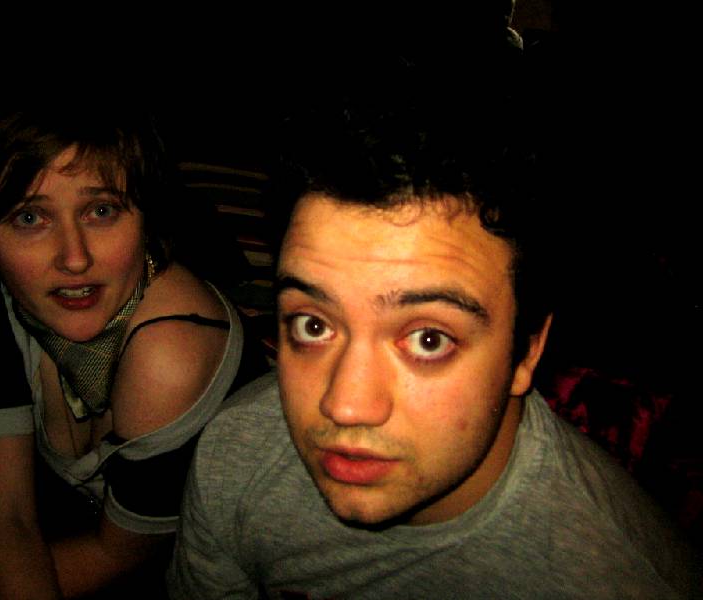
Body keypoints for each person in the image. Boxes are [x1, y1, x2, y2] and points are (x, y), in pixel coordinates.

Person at [168, 93, 702, 599]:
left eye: (428, 340)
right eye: (313, 325)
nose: (345, 406)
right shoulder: (234, 456)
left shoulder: (614, 580)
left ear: (528, 350)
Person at [0, 110, 263, 599]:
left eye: (101, 210)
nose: (74, 258)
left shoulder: (169, 356)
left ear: (145, 217)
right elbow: (7, 514)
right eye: (30, 217)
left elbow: (119, 556)